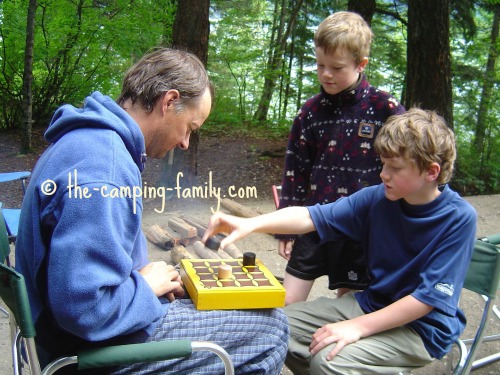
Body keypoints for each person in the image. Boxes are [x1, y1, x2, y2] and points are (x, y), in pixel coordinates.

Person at [15, 47, 289, 375]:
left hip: (70, 335)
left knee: (212, 299)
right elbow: (85, 310)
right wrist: (144, 288)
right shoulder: (105, 167)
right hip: (88, 352)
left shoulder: (87, 142)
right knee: (270, 328)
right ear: (169, 101)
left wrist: (147, 279)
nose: (187, 142)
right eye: (190, 127)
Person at [203, 108, 477, 374]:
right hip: (371, 303)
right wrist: (251, 224)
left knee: (329, 361)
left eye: (395, 167)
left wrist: (357, 327)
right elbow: (311, 216)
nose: (383, 174)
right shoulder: (378, 197)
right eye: (383, 164)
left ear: (431, 172)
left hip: (422, 329)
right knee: (273, 328)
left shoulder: (458, 218)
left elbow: (425, 299)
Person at [277, 11, 405, 304]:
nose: (325, 74)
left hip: (363, 227)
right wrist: (284, 230)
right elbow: (294, 172)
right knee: (286, 304)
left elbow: (405, 163)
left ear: (361, 65)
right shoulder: (309, 112)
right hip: (313, 221)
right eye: (320, 65)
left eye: (336, 67)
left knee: (348, 305)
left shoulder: (385, 108)